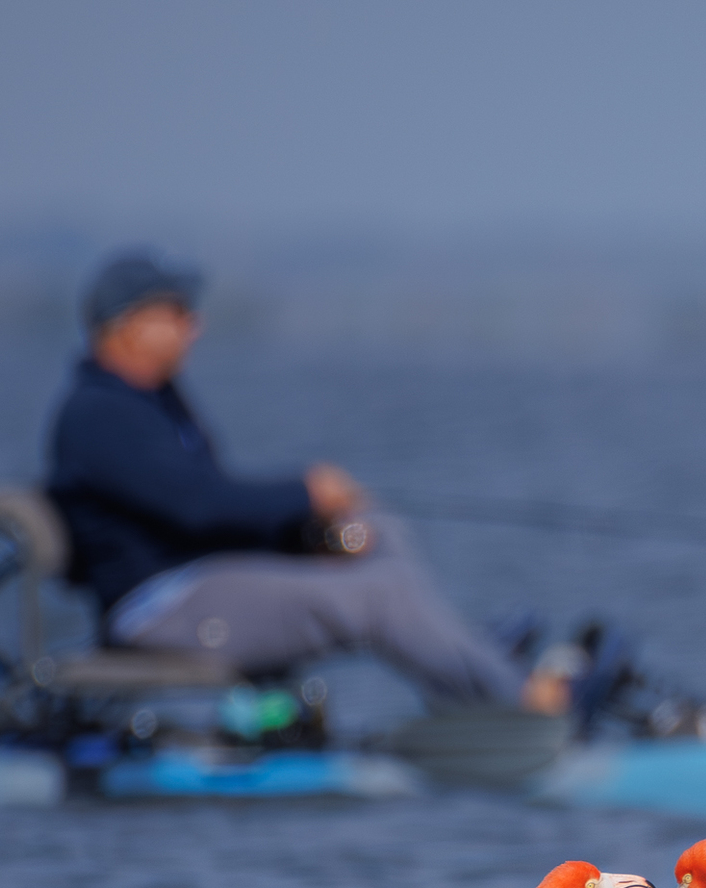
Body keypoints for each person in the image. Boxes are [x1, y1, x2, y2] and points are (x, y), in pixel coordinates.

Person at [44, 251, 570, 714]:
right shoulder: (99, 415)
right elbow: (197, 508)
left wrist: (310, 531)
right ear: (129, 326)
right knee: (378, 598)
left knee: (375, 530)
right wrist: (304, 493)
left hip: (205, 581)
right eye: (178, 313)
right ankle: (519, 698)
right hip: (161, 612)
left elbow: (204, 514)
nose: (195, 326)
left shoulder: (154, 402)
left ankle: (460, 659)